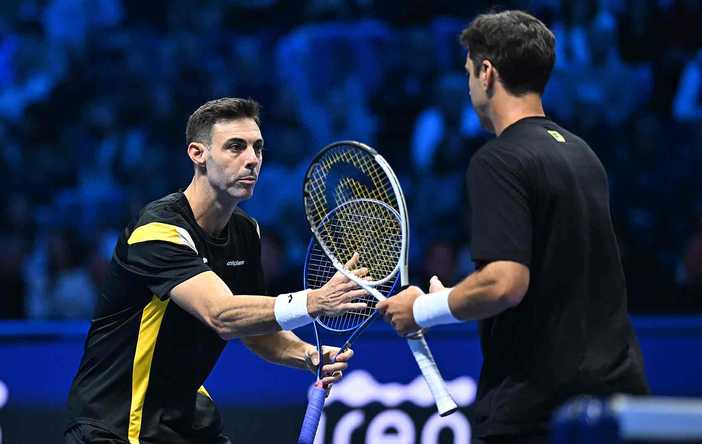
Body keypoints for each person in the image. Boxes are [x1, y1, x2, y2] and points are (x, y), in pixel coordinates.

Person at [376, 11, 649, 444]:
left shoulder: (498, 160)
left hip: (538, 411)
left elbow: (505, 283)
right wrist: (447, 296)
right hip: (615, 401)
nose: (468, 87)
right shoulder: (582, 154)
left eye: (468, 73)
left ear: (487, 73)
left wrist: (422, 310)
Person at [65, 98, 368, 444]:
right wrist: (312, 302)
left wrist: (307, 355)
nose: (252, 160)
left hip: (182, 421)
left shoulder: (245, 232)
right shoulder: (158, 231)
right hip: (116, 424)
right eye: (235, 147)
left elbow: (254, 330)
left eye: (258, 148)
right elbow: (221, 315)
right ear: (198, 154)